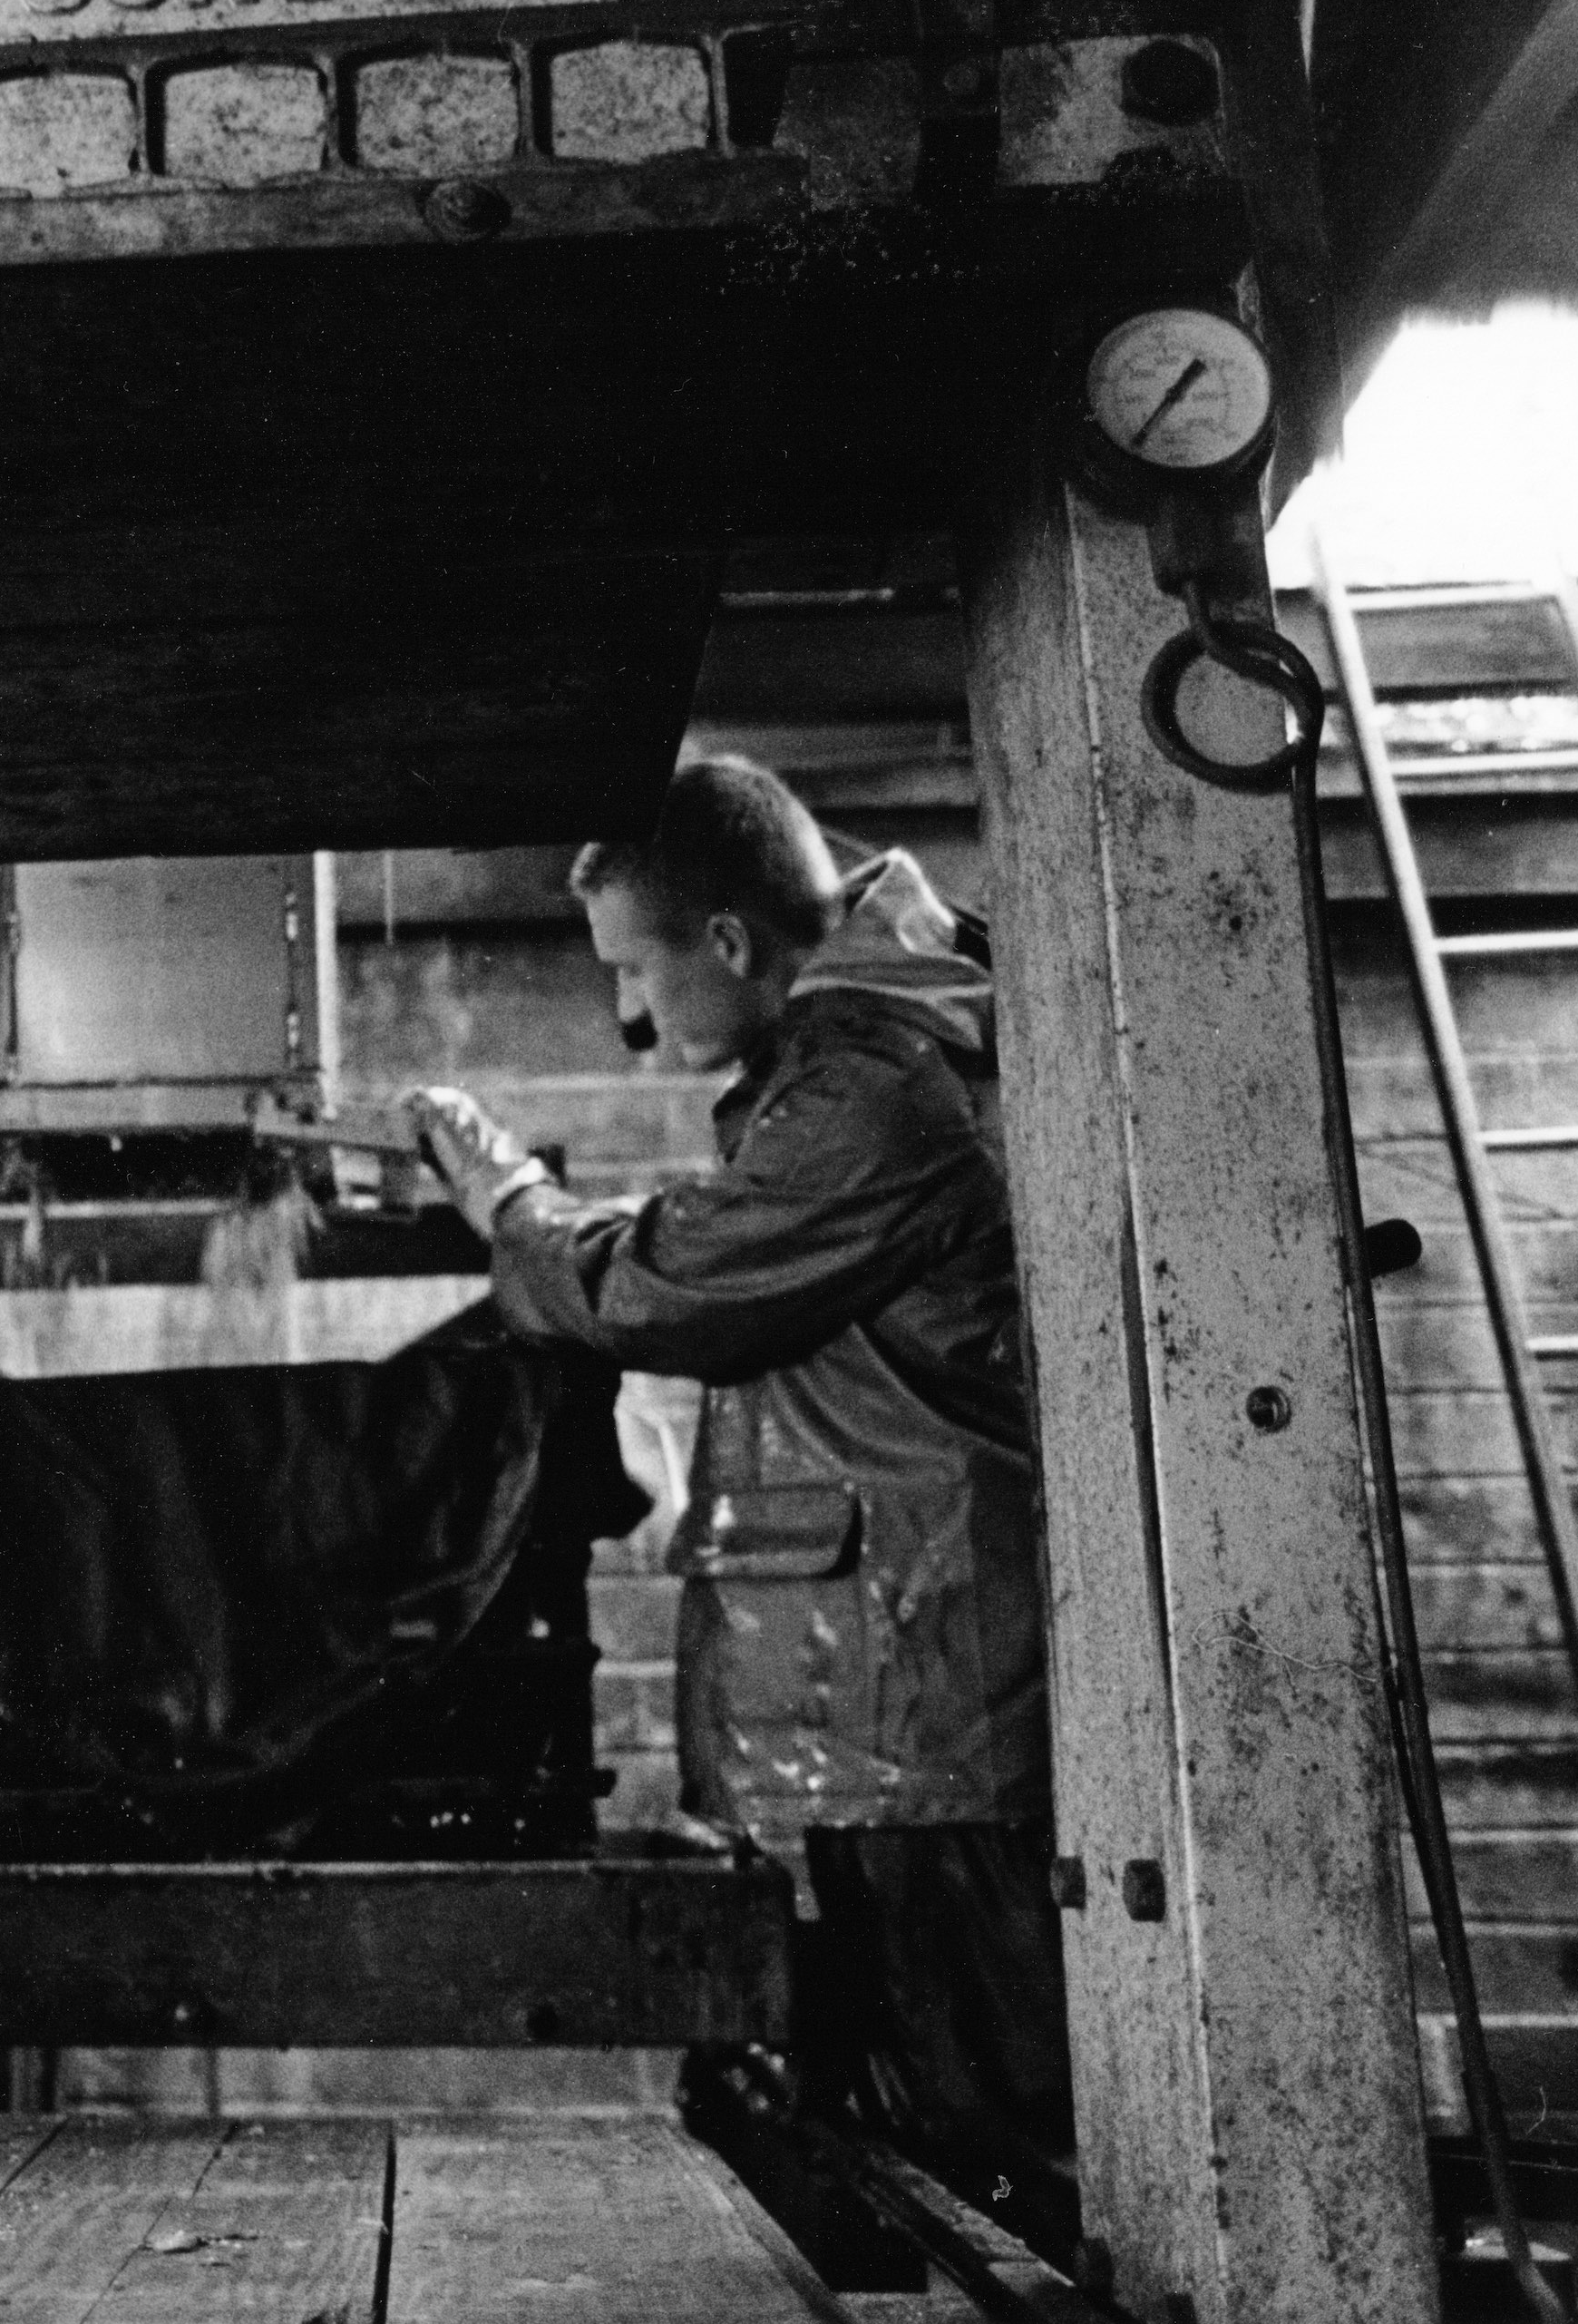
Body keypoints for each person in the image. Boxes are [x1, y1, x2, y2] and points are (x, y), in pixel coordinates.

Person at [408, 756, 1074, 2256]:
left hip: (924, 1712)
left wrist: (500, 1193)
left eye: (631, 971)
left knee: (992, 2157)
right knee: (934, 2148)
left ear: (723, 942)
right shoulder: (886, 1038)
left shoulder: (870, 1085)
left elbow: (658, 1286)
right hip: (908, 1705)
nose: (629, 1017)